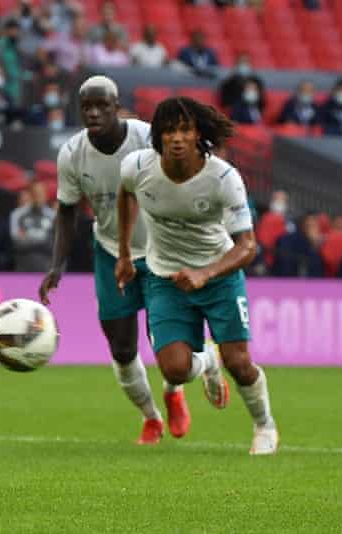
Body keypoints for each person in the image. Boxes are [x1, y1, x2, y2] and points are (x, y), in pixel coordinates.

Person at [39, 76, 227, 446]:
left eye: (101, 106)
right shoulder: (72, 153)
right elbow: (66, 210)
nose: (93, 113)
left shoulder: (146, 138)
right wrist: (57, 264)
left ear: (116, 106)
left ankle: (201, 368)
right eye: (86, 107)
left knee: (172, 352)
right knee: (122, 350)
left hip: (164, 253)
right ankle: (151, 418)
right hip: (112, 253)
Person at [116, 97, 278, 455]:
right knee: (174, 371)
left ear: (198, 135)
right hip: (165, 278)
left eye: (185, 130)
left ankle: (264, 425)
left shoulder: (222, 178)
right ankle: (207, 359)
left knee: (239, 364)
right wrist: (126, 253)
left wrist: (206, 273)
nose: (177, 138)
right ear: (157, 136)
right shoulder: (137, 167)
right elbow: (126, 194)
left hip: (218, 276)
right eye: (169, 130)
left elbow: (248, 246)